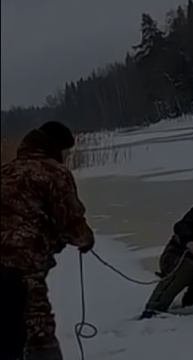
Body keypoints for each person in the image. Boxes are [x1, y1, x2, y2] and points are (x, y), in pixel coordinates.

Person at [1, 121, 95, 360]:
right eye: (66, 151)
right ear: (57, 148)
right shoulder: (53, 172)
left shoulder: (7, 170)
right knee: (38, 330)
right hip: (23, 264)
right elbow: (71, 221)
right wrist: (85, 240)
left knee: (7, 328)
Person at [141, 191, 193, 319]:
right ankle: (154, 309)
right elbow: (182, 226)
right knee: (188, 268)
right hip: (176, 257)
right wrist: (189, 241)